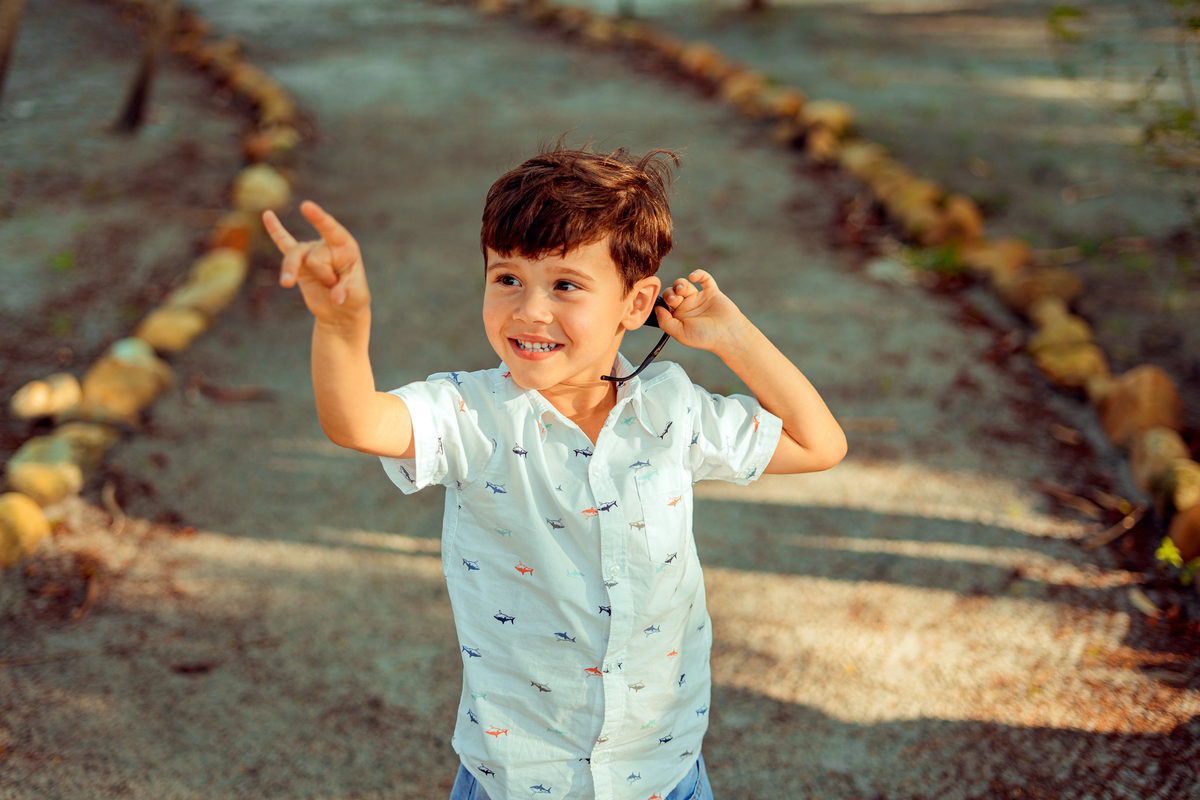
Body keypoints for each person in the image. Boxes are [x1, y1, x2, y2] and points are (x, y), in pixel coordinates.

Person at [263, 143, 846, 800]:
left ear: (637, 304)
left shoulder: (673, 411)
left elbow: (819, 444)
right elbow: (358, 423)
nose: (529, 310)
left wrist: (733, 337)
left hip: (664, 772)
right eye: (507, 278)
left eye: (565, 285)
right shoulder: (472, 414)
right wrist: (342, 327)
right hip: (518, 778)